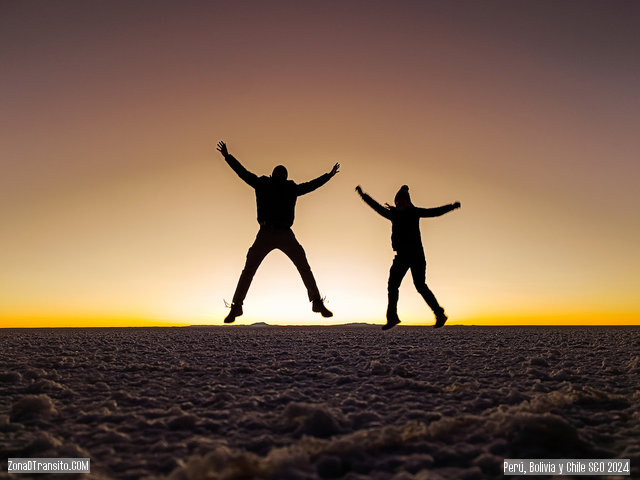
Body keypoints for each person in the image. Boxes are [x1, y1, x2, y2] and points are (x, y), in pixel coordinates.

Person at [217, 141, 339, 323]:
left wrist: (328, 176)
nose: (281, 176)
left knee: (303, 265)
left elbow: (311, 185)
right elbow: (243, 173)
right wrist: (228, 157)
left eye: (283, 174)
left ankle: (316, 302)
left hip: (284, 234)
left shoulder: (291, 188)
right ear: (274, 174)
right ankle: (237, 306)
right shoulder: (263, 184)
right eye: (279, 173)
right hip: (266, 233)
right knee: (249, 269)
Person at [355, 184, 460, 330]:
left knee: (420, 286)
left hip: (416, 255)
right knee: (393, 285)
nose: (399, 204)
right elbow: (377, 207)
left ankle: (439, 314)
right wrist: (363, 195)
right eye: (397, 202)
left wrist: (451, 207)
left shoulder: (414, 212)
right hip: (401, 256)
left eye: (402, 201)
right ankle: (392, 318)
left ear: (408, 202)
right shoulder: (393, 214)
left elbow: (434, 212)